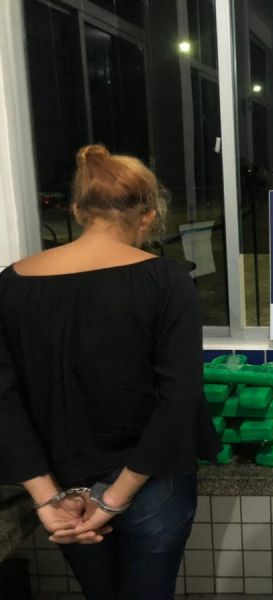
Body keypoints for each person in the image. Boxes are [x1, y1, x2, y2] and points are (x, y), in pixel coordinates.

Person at [0, 144, 221, 599]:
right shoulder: (165, 280)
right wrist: (114, 498)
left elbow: (4, 396)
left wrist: (46, 498)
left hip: (62, 487)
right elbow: (179, 398)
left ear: (78, 211)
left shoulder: (12, 283)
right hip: (150, 484)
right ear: (148, 216)